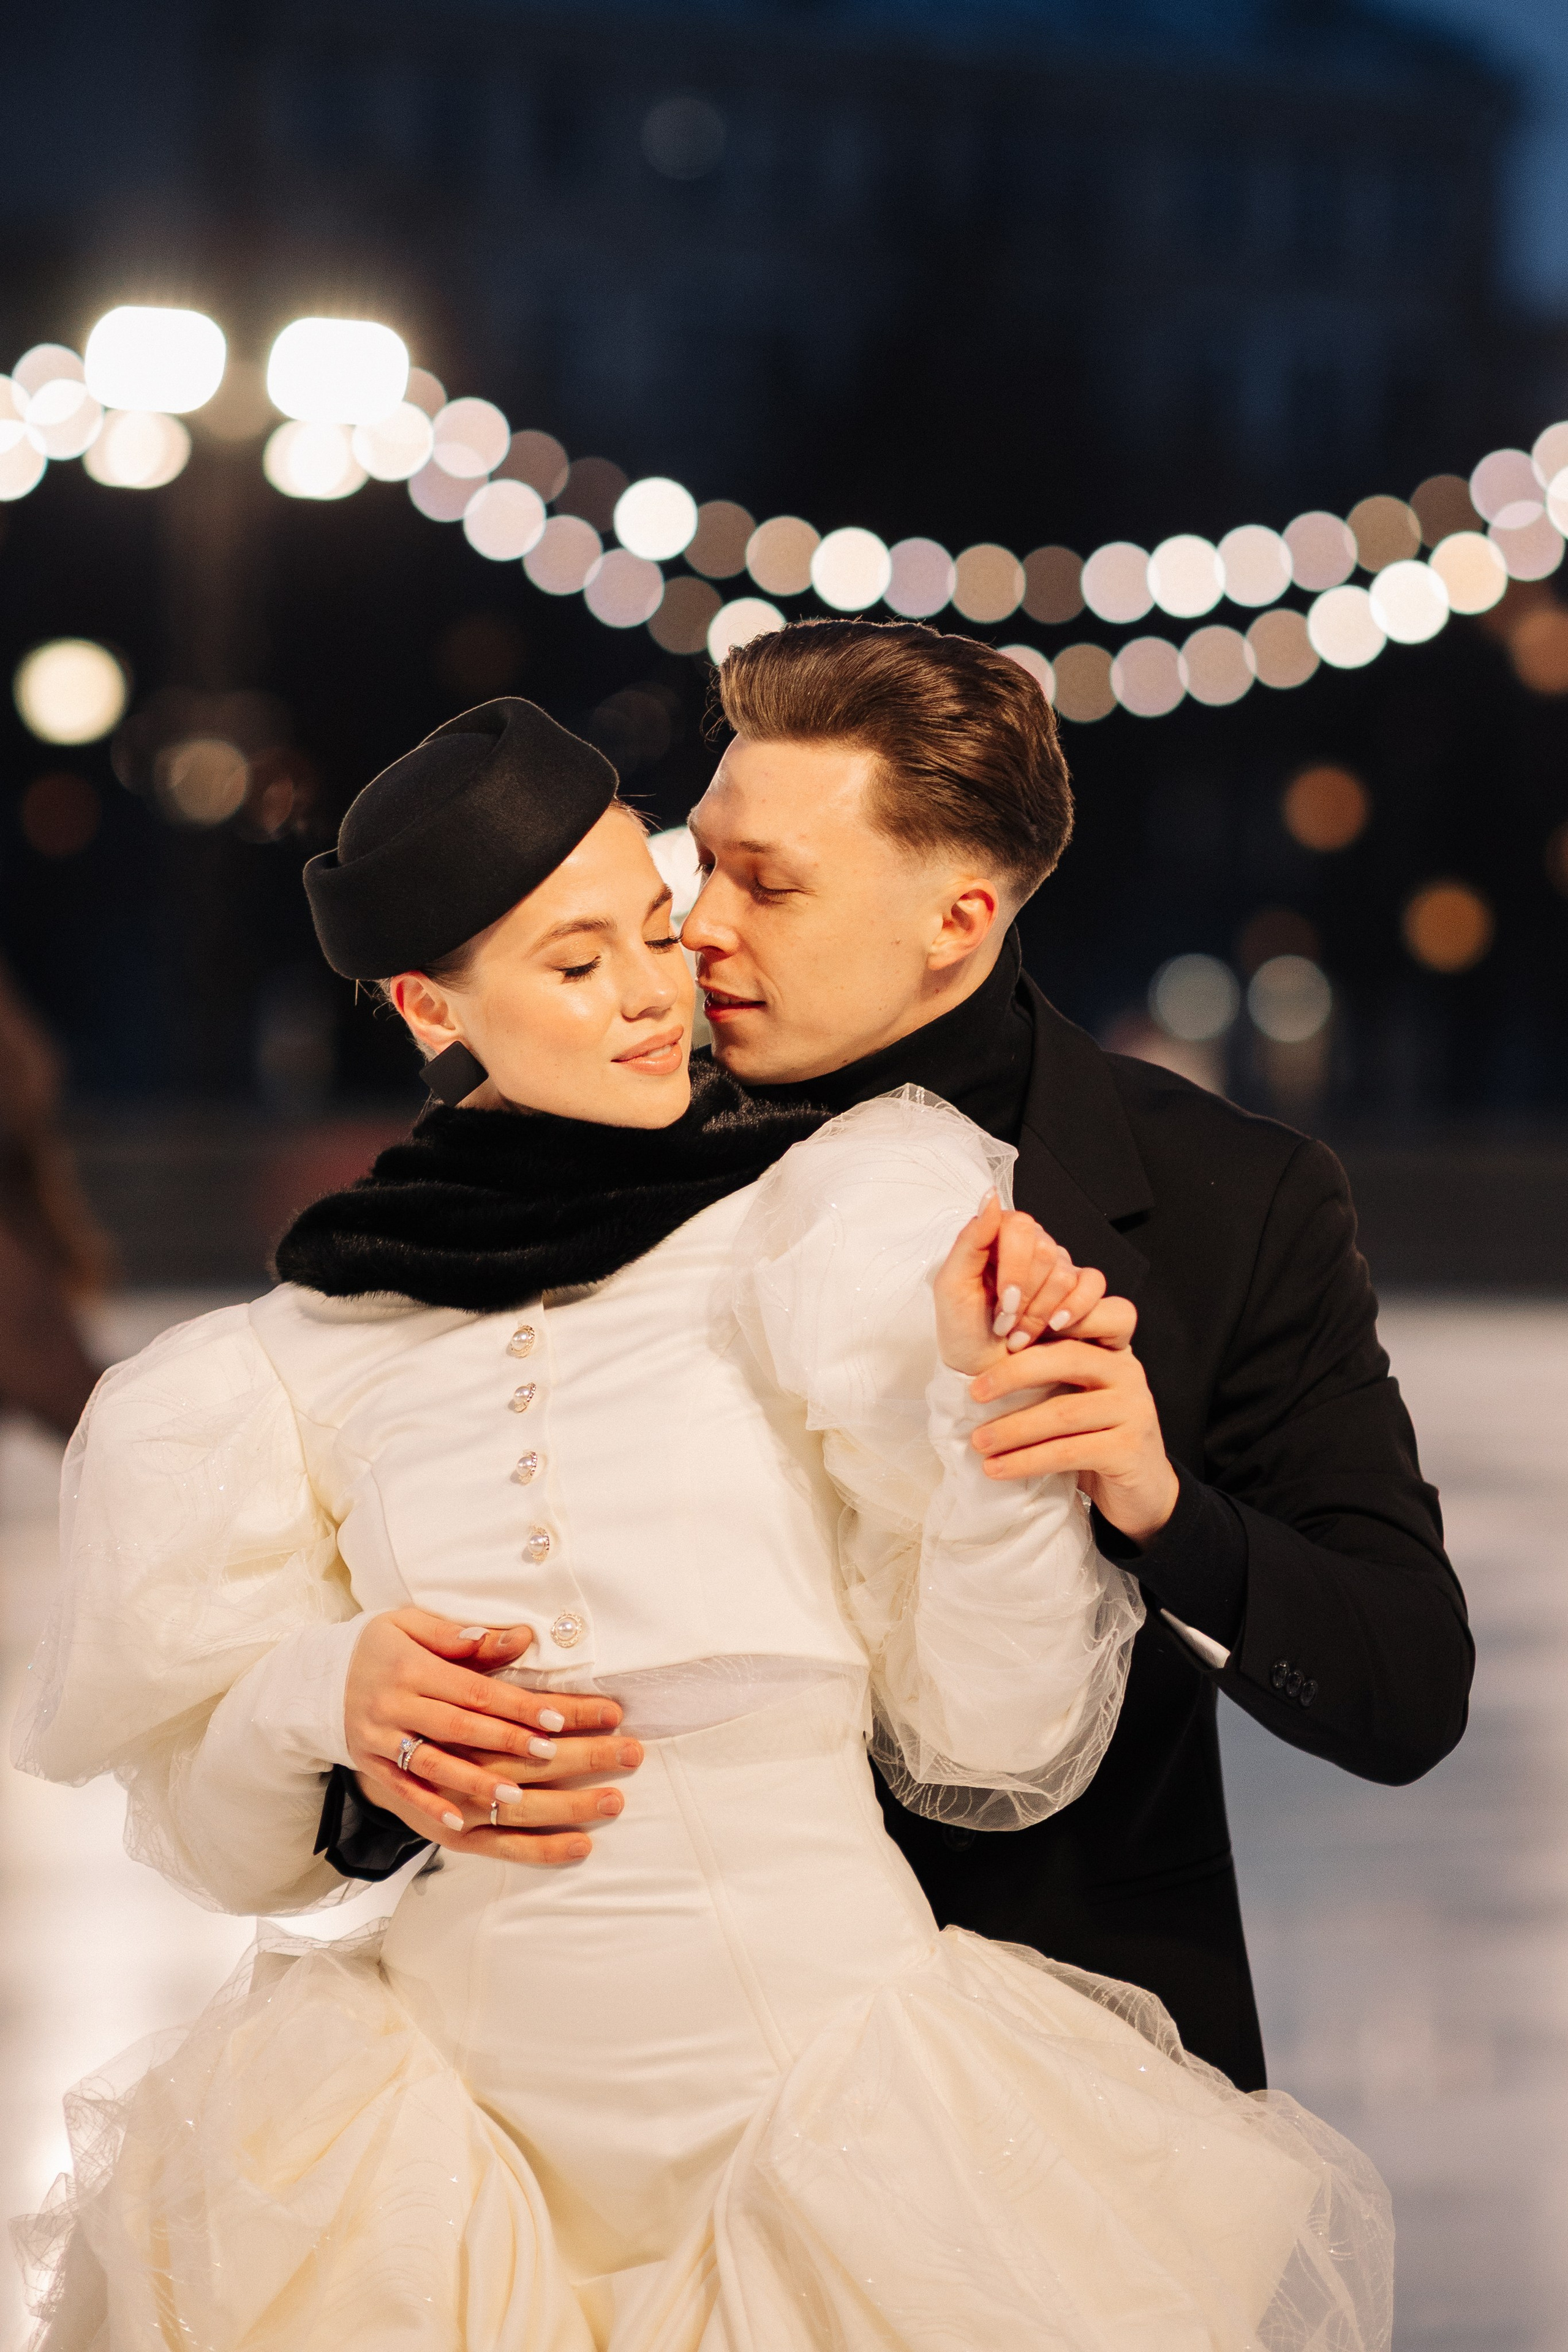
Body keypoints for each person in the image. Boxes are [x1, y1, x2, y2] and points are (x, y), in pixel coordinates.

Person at [14, 696, 1392, 2350]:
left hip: (842, 2126)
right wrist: (327, 1692)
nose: (663, 990)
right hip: (435, 2150)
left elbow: (999, 1723)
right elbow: (239, 1851)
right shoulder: (283, 1367)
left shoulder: (838, 1230)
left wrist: (993, 1440)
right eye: (577, 963)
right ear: (426, 1002)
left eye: (655, 927)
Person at [334, 620, 1473, 2096]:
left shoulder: (1229, 1200)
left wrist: (1156, 1507)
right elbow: (373, 1567)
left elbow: (1404, 1691)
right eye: (704, 861)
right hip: (599, 2096)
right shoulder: (563, 1126)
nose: (699, 929)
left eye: (770, 885)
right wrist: (355, 1733)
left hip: (1052, 2100)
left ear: (957, 917)